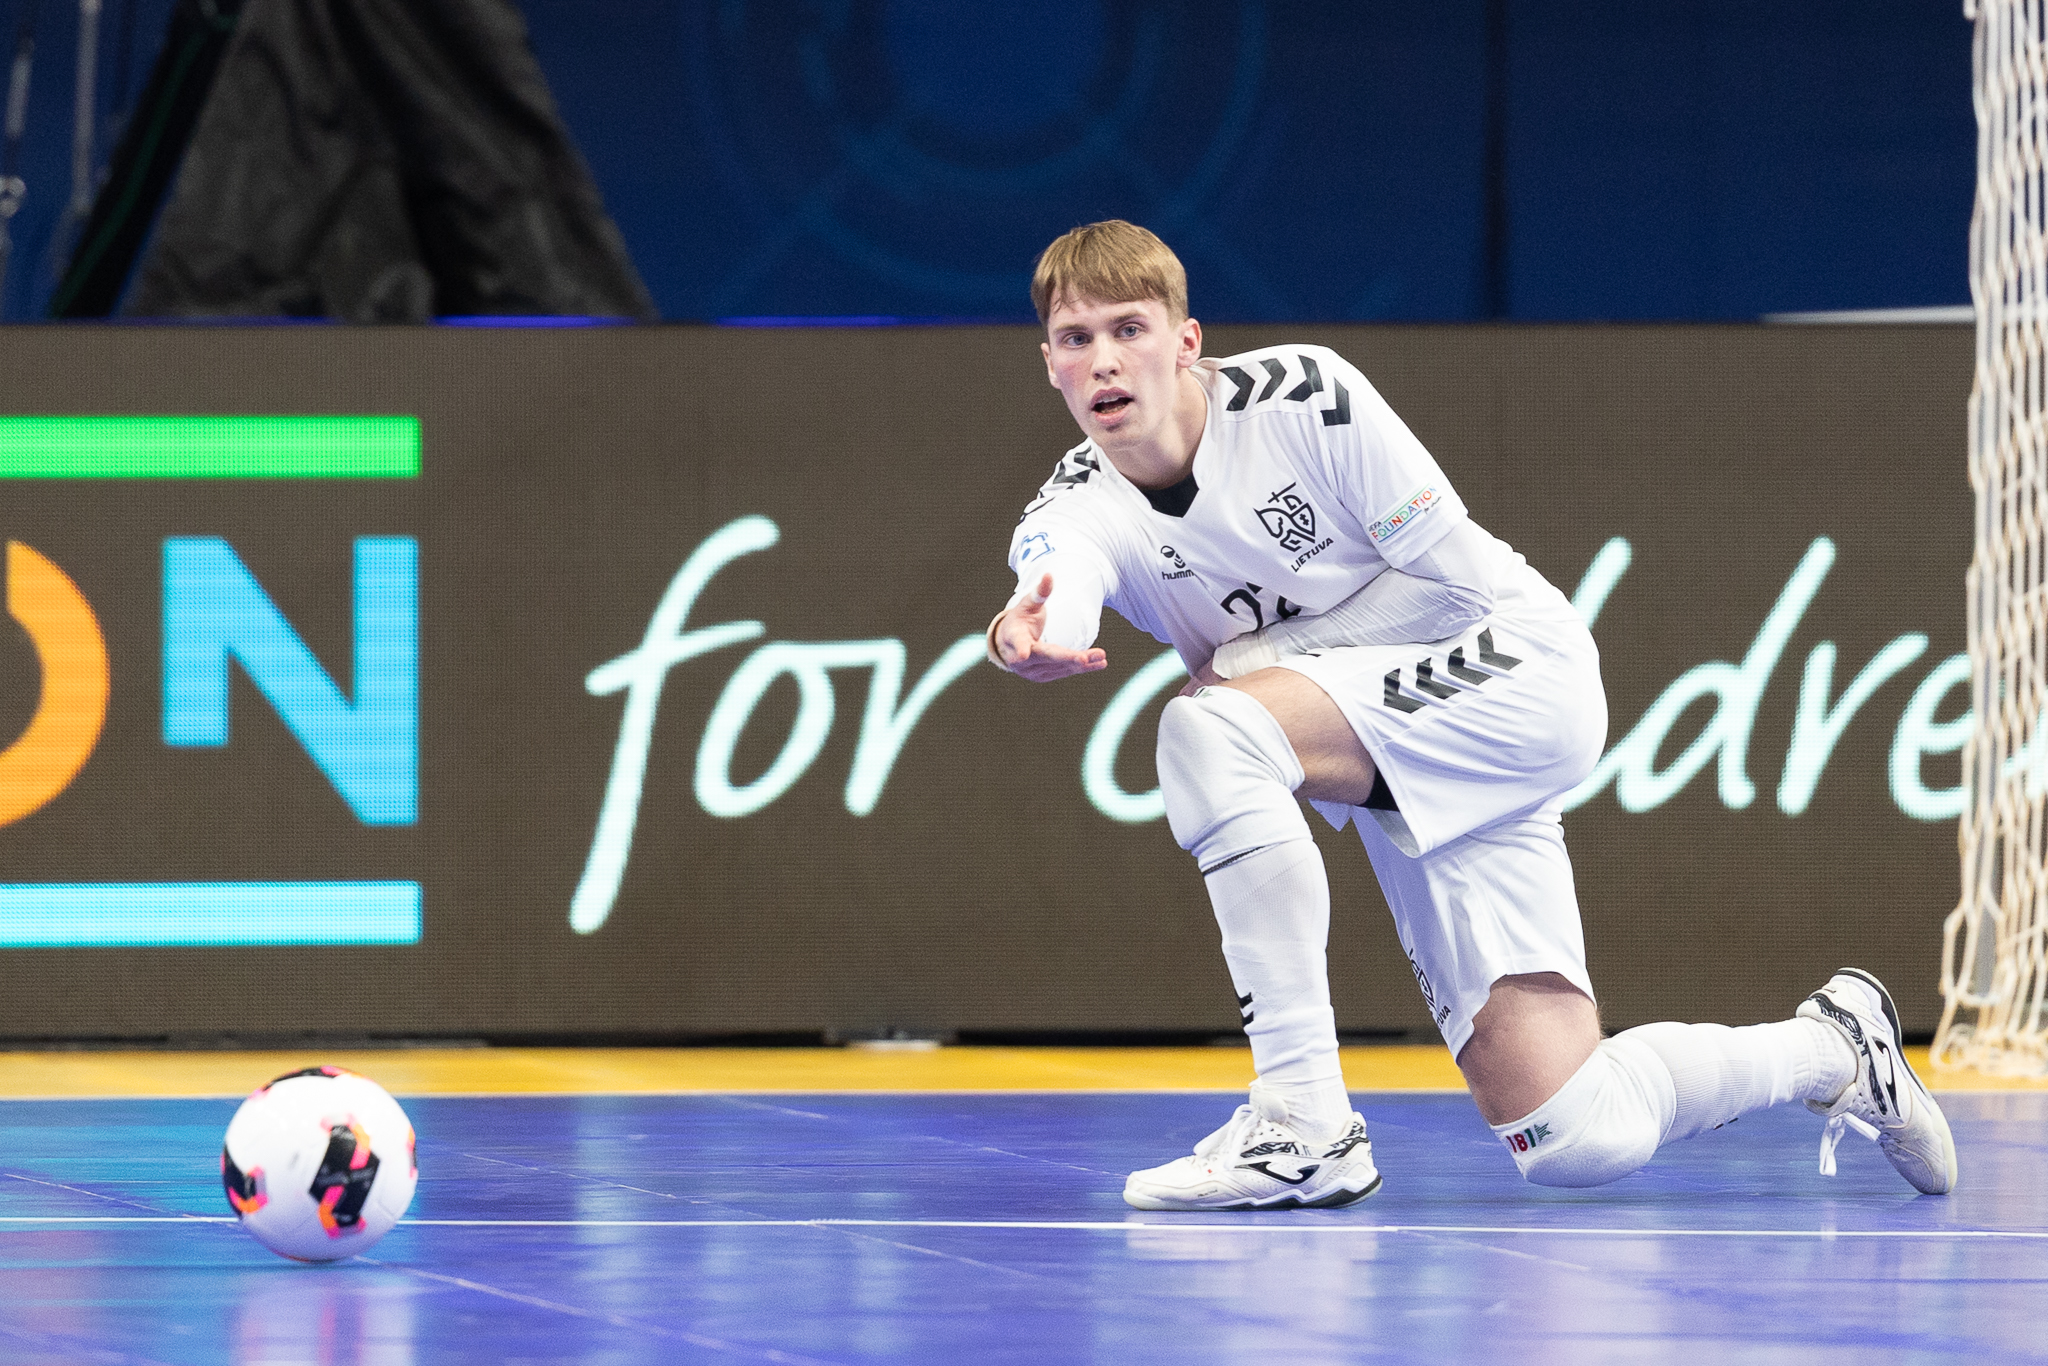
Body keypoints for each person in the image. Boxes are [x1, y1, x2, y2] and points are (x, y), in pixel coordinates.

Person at [986, 220, 1957, 1210]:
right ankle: (1837, 1049)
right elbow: (1060, 577)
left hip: (1510, 666)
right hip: (1398, 752)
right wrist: (1027, 630)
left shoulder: (1302, 397)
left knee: (1210, 728)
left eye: (1129, 329)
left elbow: (1451, 587)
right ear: (1050, 364)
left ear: (1185, 341)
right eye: (1075, 339)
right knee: (1572, 1130)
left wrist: (1249, 663)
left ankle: (1302, 1121)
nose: (1104, 359)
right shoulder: (1073, 502)